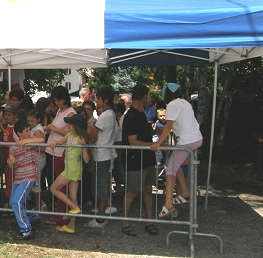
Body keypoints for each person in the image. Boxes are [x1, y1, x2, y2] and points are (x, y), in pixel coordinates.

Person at [151, 83, 203, 218]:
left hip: (186, 141)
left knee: (170, 169)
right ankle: (184, 190)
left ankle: (168, 203)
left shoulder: (172, 105)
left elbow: (168, 126)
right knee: (175, 163)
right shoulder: (185, 102)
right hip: (196, 138)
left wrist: (158, 143)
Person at [120, 85, 158, 236]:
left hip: (147, 158)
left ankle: (149, 220)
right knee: (132, 192)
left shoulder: (141, 114)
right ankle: (125, 222)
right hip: (135, 160)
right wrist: (152, 145)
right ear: (144, 97)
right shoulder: (131, 116)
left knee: (148, 189)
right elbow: (132, 141)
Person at [49, 113, 90, 234]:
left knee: (53, 188)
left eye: (70, 124)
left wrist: (84, 147)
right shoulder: (70, 134)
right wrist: (54, 142)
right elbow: (60, 141)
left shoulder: (81, 139)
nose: (68, 126)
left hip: (72, 170)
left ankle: (73, 207)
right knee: (73, 197)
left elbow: (87, 160)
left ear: (76, 126)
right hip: (71, 169)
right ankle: (71, 225)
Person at [43, 86, 75, 226]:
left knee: (60, 186)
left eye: (58, 100)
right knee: (56, 184)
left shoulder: (70, 112)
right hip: (53, 150)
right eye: (55, 100)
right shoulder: (60, 112)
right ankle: (62, 214)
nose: (57, 103)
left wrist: (55, 129)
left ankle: (62, 216)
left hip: (62, 152)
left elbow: (72, 134)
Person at [7, 119, 44, 240]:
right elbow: (11, 164)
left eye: (29, 130)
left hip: (29, 177)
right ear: (19, 133)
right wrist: (10, 163)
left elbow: (42, 140)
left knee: (17, 202)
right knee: (12, 202)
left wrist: (27, 140)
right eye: (26, 131)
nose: (29, 132)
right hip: (18, 178)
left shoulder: (32, 141)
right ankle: (33, 218)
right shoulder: (13, 148)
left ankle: (26, 229)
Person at [85, 86, 115, 229]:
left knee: (101, 186)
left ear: (106, 100)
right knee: (99, 184)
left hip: (102, 155)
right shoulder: (108, 114)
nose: (96, 101)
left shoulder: (106, 115)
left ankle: (100, 219)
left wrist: (89, 135)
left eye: (99, 98)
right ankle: (100, 213)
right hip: (101, 153)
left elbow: (92, 134)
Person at [26, 109, 46, 211]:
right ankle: (41, 204)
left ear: (38, 120)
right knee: (35, 184)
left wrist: (33, 146)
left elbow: (43, 148)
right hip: (35, 159)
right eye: (28, 121)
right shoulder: (34, 128)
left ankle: (39, 208)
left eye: (32, 121)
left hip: (38, 159)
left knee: (36, 185)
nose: (30, 123)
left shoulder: (38, 130)